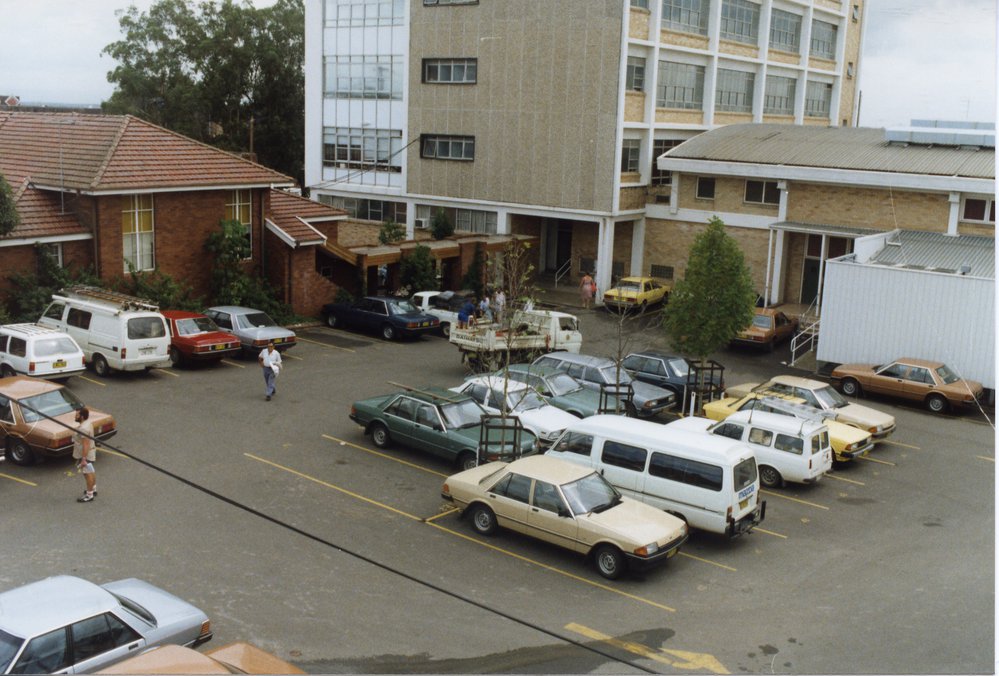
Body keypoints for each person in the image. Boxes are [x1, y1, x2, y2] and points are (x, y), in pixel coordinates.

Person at [73, 407, 96, 502]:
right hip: (90, 452)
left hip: (85, 454)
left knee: (87, 473)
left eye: (77, 415)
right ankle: (93, 489)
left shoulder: (83, 429)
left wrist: (83, 459)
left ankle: (89, 495)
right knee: (91, 471)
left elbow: (85, 444)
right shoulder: (87, 423)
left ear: (81, 416)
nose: (75, 416)